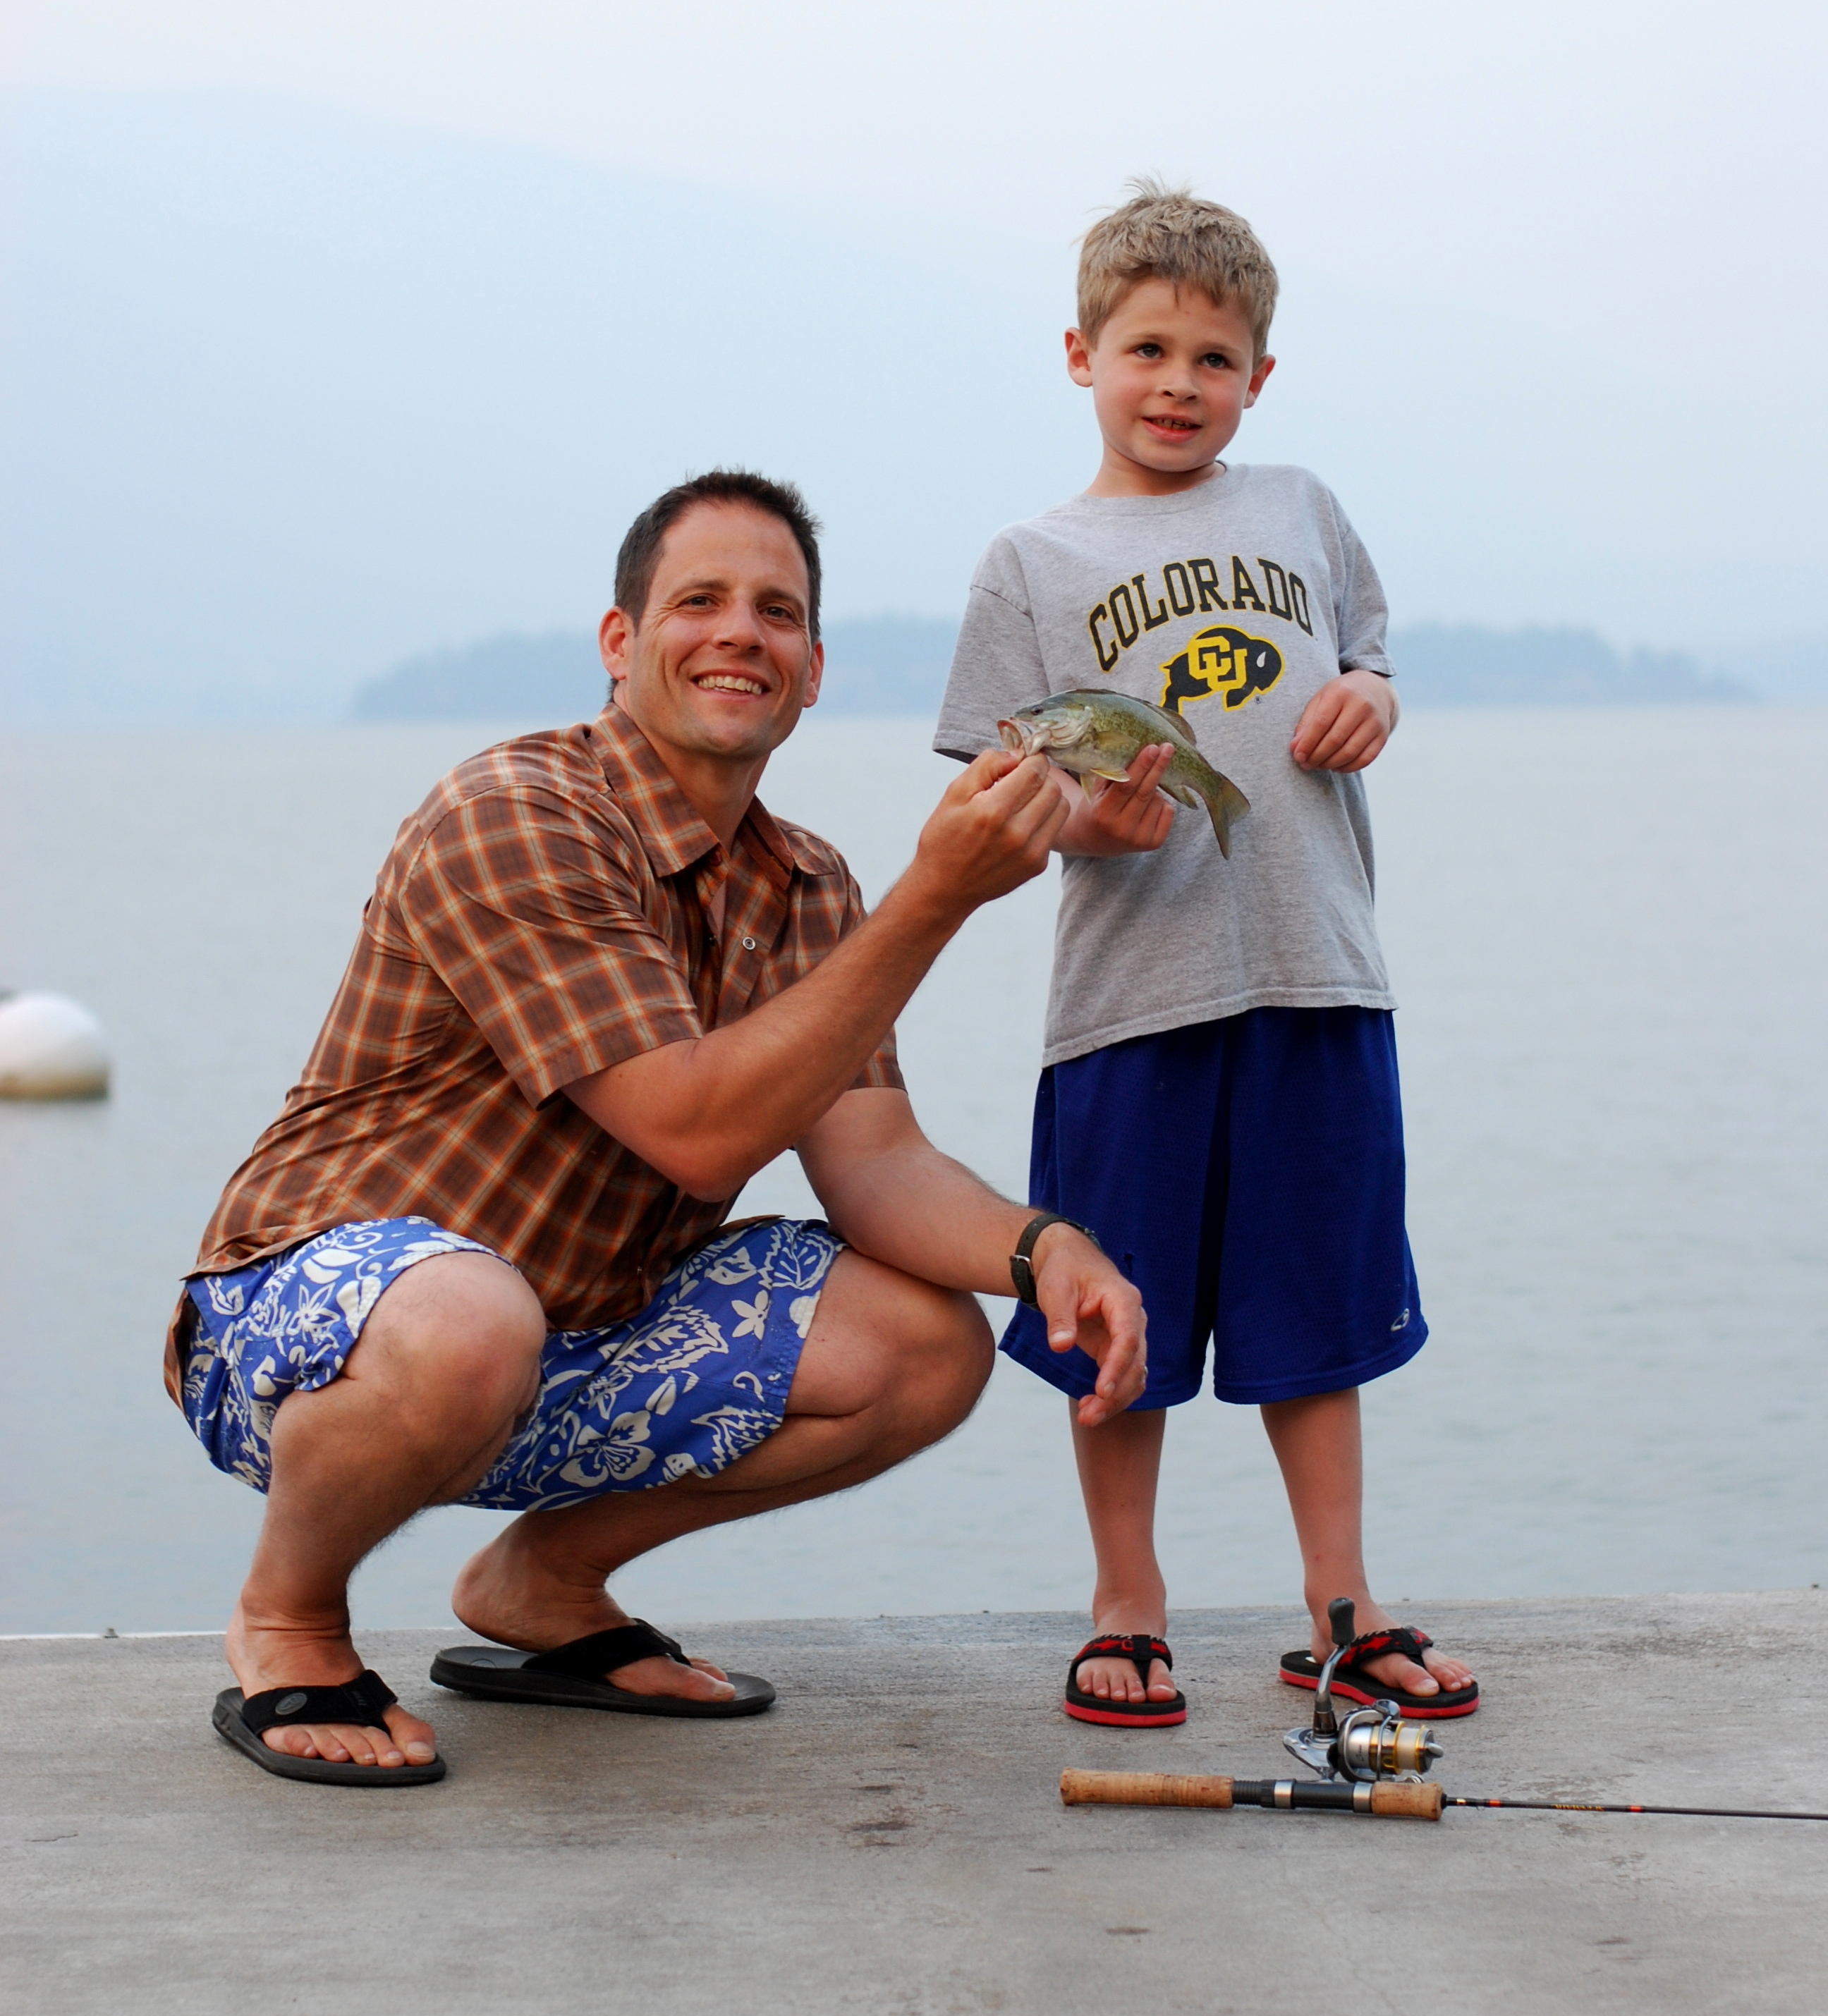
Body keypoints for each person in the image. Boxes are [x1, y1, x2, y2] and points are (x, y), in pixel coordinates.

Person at [166, 469, 1146, 1786]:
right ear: (621, 642)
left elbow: (878, 1163)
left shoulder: (808, 882)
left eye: (778, 613)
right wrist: (940, 896)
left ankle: (545, 1584)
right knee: (469, 1317)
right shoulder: (516, 812)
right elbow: (694, 1133)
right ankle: (288, 1617)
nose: (742, 631)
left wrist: (1049, 1250)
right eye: (700, 601)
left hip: (568, 1336)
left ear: (812, 673)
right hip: (305, 1332)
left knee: (929, 1346)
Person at [934, 184, 1478, 1729]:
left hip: (1322, 976)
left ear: (1260, 377)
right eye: (1148, 349)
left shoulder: (1304, 507)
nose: (1179, 383)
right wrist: (1083, 820)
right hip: (1130, 1006)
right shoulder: (1030, 559)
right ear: (1081, 355)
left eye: (1214, 358)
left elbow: (1368, 660)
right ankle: (1129, 1601)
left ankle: (1341, 1609)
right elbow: (992, 797)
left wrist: (1373, 698)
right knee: (1118, 1320)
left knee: (1322, 1313)